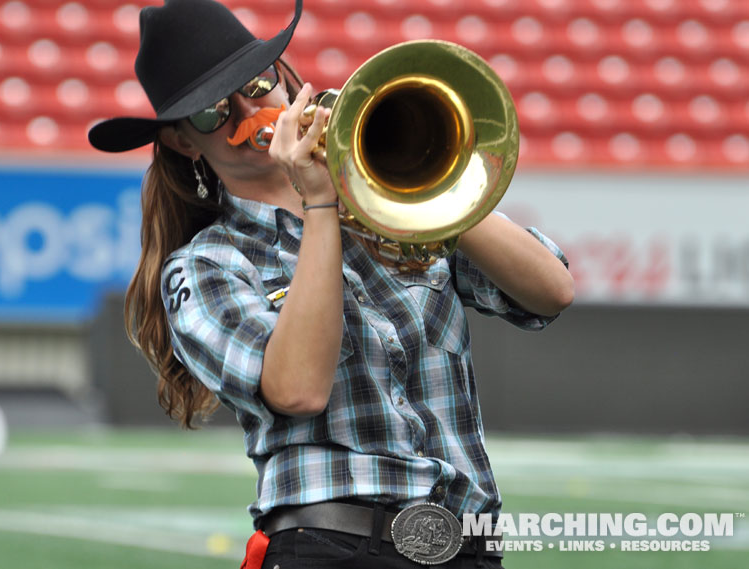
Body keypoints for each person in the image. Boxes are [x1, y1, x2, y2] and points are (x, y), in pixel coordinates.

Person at [88, 0, 574, 568]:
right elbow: (297, 390)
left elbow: (550, 291)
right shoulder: (204, 267)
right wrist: (320, 202)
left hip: (463, 546)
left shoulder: (389, 209)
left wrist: (418, 179)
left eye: (258, 83)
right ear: (182, 142)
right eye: (212, 112)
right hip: (330, 547)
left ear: (286, 78)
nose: (248, 111)